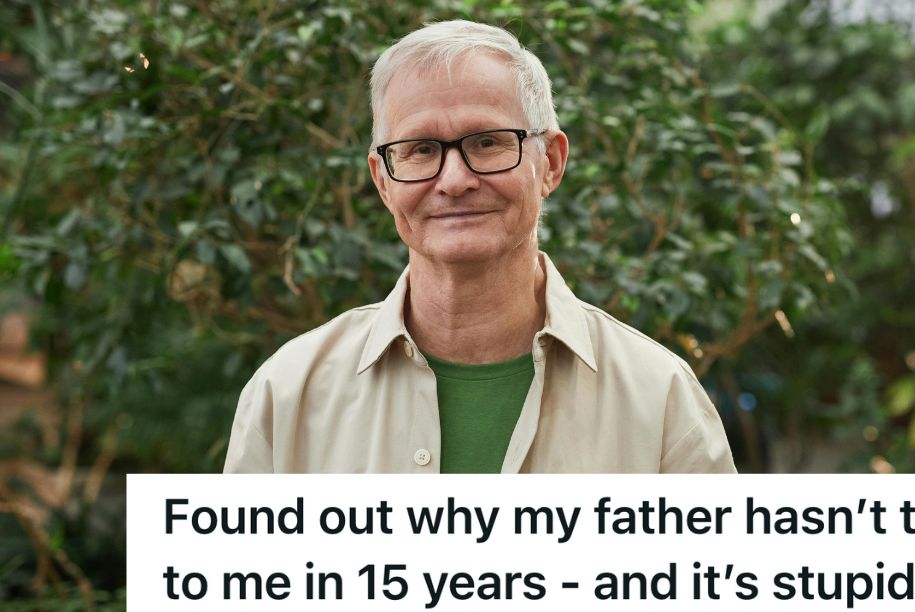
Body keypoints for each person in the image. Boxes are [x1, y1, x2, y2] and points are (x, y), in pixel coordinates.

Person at [223, 20, 736, 473]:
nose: (454, 180)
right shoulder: (287, 394)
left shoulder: (661, 400)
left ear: (551, 164)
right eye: (421, 149)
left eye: (487, 142)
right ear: (383, 180)